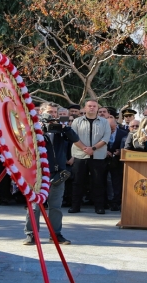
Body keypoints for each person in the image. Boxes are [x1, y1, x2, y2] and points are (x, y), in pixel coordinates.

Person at [24, 102, 79, 245]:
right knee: (35, 206)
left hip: (58, 172)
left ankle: (56, 234)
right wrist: (40, 128)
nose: (53, 114)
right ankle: (31, 234)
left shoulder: (62, 128)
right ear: (41, 112)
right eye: (50, 112)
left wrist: (64, 128)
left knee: (55, 206)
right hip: (38, 173)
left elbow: (75, 139)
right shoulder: (34, 126)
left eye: (55, 112)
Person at [69, 99, 111, 214]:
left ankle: (99, 207)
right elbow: (73, 137)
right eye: (89, 106)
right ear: (85, 108)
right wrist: (84, 148)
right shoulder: (77, 121)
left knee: (98, 182)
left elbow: (106, 138)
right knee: (77, 182)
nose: (92, 108)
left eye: (94, 106)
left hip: (98, 156)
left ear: (97, 108)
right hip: (80, 155)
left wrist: (92, 149)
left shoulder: (104, 122)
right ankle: (75, 206)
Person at [105, 117, 129, 211]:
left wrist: (120, 151)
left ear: (116, 125)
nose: (110, 130)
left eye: (112, 128)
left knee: (116, 182)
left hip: (117, 162)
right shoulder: (100, 133)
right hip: (103, 160)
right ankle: (105, 202)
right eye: (108, 128)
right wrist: (105, 151)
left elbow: (126, 145)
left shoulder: (123, 133)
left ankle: (116, 202)